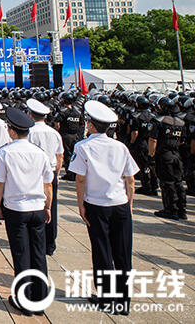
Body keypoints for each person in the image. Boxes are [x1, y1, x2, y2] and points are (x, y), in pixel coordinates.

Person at [69, 100, 139, 316]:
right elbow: (130, 180)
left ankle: (107, 296)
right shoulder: (120, 146)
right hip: (120, 204)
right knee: (123, 253)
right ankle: (123, 300)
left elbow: (80, 180)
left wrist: (80, 205)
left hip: (97, 204)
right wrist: (130, 204)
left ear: (91, 125)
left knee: (102, 251)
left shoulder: (83, 147)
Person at [0, 108, 54, 317]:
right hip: (37, 208)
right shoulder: (40, 153)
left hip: (16, 209)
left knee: (21, 254)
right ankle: (40, 298)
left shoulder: (5, 153)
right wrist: (48, 206)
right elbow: (48, 185)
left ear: (11, 131)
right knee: (38, 254)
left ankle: (24, 300)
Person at [26, 99, 64, 256]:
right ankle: (50, 242)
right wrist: (58, 172)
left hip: (33, 173)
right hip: (51, 172)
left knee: (33, 207)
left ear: (30, 115)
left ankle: (35, 240)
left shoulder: (29, 132)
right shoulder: (54, 133)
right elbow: (59, 155)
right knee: (51, 206)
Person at [149, 97, 187, 220]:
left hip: (164, 156)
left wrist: (151, 157)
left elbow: (153, 140)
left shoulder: (158, 121)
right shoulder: (180, 123)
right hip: (176, 156)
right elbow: (182, 141)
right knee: (178, 182)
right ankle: (182, 209)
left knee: (167, 183)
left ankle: (171, 209)